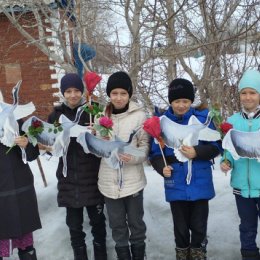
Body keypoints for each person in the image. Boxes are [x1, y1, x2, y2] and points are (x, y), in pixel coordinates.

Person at [149, 78, 221, 260]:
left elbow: (215, 147)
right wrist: (161, 167)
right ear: (170, 102)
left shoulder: (203, 119)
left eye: (185, 101)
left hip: (200, 183)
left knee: (198, 224)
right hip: (176, 183)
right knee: (180, 226)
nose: (181, 105)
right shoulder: (162, 122)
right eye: (176, 101)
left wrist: (197, 151)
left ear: (191, 101)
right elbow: (156, 153)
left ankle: (198, 251)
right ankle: (181, 251)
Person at [47, 73, 107, 260]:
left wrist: (99, 134)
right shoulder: (55, 115)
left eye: (76, 91)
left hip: (92, 179)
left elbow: (106, 139)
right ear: (63, 93)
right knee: (75, 228)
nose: (73, 95)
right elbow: (50, 147)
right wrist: (50, 145)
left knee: (98, 226)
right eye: (68, 91)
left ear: (82, 91)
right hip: (68, 181)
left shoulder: (93, 111)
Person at [97, 71, 149, 260]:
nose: (118, 98)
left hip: (133, 181)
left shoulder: (139, 116)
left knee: (136, 224)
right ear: (109, 95)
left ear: (129, 94)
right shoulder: (100, 117)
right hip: (108, 183)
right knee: (117, 226)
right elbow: (96, 149)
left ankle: (138, 255)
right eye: (114, 93)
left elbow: (145, 146)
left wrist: (133, 157)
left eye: (123, 93)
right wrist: (98, 139)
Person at [220, 69, 260, 260]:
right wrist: (225, 162)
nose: (248, 97)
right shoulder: (232, 121)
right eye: (244, 93)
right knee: (247, 226)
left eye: (252, 92)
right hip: (241, 187)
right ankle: (250, 255)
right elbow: (227, 150)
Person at [0, 121, 41, 259]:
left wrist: (27, 145)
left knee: (26, 245)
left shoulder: (14, 122)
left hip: (19, 191)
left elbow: (32, 154)